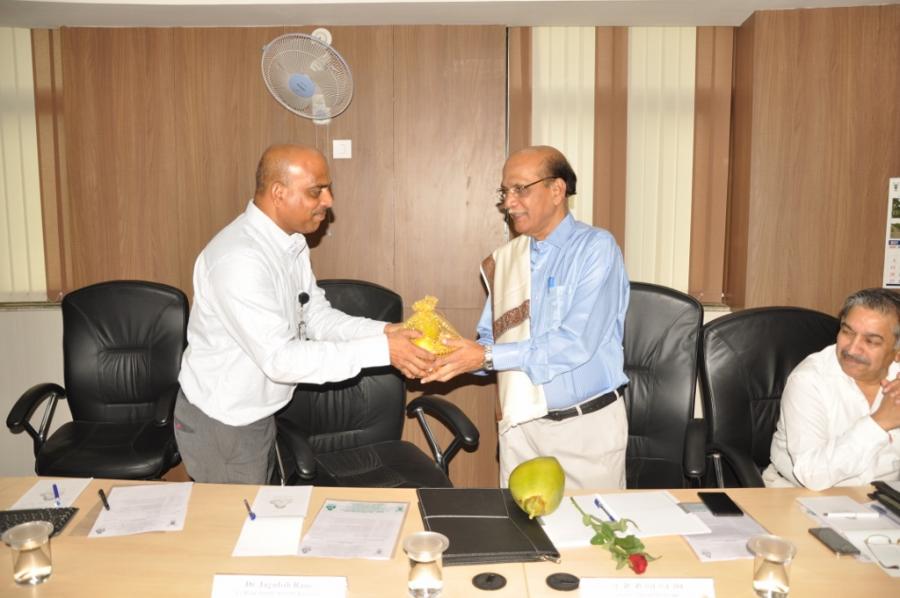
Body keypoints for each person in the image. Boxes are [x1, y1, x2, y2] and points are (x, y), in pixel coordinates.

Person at [174, 144, 434, 484]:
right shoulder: (239, 259)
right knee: (238, 518)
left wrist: (385, 332)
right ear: (278, 193)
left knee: (258, 509)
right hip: (224, 423)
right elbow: (280, 359)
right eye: (316, 191)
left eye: (328, 189)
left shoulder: (290, 243)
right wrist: (383, 351)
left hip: (257, 414)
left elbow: (316, 318)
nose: (328, 200)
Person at [422, 145, 630, 489]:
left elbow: (576, 342)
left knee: (591, 525)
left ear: (557, 190)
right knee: (521, 523)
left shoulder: (596, 249)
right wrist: (449, 355)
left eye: (520, 189)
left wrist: (486, 355)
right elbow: (492, 342)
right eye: (504, 192)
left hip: (584, 431)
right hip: (520, 429)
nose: (509, 203)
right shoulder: (507, 259)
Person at [764, 288, 900, 490]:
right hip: (800, 495)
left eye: (871, 341)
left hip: (885, 497)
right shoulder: (809, 380)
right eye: (847, 332)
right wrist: (879, 423)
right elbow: (811, 475)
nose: (852, 349)